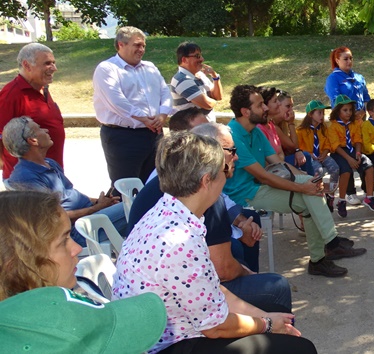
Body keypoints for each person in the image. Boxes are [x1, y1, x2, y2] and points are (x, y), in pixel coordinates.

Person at [114, 132, 317, 353]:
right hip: (167, 344)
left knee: (277, 313)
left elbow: (211, 289)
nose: (228, 175)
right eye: (225, 170)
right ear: (206, 181)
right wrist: (267, 324)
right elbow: (215, 327)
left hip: (172, 327)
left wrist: (267, 317)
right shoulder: (181, 240)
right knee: (300, 348)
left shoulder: (169, 210)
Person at [128, 123, 290, 313]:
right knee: (276, 287)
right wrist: (248, 276)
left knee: (239, 244)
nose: (236, 156)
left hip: (154, 297)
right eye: (231, 150)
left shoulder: (176, 181)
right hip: (167, 310)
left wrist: (239, 225)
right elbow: (222, 271)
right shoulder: (202, 195)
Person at [224, 85, 366, 277]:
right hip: (246, 196)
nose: (266, 108)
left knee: (312, 191)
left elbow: (279, 163)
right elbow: (264, 176)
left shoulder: (256, 130)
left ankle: (322, 255)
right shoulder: (233, 135)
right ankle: (328, 248)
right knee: (310, 197)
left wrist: (307, 180)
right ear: (245, 111)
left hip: (261, 187)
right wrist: (301, 186)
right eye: (260, 105)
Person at [0, 190, 167, 354]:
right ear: (19, 260)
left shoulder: (48, 307)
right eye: (63, 241)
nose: (77, 248)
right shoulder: (55, 325)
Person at [3, 116, 127, 244]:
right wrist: (95, 209)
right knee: (134, 208)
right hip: (75, 231)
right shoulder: (25, 177)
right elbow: (51, 217)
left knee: (132, 208)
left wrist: (98, 202)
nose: (45, 130)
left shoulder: (49, 163)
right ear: (33, 141)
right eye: (39, 128)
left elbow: (69, 194)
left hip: (88, 218)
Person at [93, 26, 172, 187]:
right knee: (126, 188)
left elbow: (165, 91)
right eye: (137, 45)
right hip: (123, 137)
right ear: (121, 44)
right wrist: (144, 119)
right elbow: (117, 101)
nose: (141, 49)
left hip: (154, 134)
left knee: (155, 185)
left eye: (143, 45)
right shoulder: (107, 69)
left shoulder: (150, 67)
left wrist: (162, 115)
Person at [0, 43, 64, 180]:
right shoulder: (11, 95)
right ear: (27, 65)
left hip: (51, 175)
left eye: (54, 63)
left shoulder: (42, 88)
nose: (54, 68)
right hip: (28, 182)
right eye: (47, 63)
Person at [324, 46, 371, 201]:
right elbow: (336, 99)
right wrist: (348, 113)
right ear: (337, 60)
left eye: (351, 58)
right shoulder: (333, 78)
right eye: (345, 58)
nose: (349, 61)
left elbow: (366, 97)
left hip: (359, 119)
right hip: (342, 120)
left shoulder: (358, 77)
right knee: (345, 152)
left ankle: (367, 190)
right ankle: (350, 192)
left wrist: (363, 111)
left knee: (359, 151)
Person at [328, 94, 374, 214]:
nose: (349, 113)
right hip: (340, 152)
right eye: (345, 110)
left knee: (369, 166)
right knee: (346, 171)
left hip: (353, 150)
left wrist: (358, 152)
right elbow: (336, 146)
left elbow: (358, 140)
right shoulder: (333, 126)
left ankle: (369, 197)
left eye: (350, 110)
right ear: (337, 111)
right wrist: (349, 159)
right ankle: (341, 200)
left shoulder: (354, 123)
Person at [296, 99, 340, 208]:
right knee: (318, 171)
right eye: (319, 113)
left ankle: (330, 194)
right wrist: (309, 154)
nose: (322, 116)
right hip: (310, 156)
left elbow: (327, 144)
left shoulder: (323, 128)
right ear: (310, 114)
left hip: (322, 155)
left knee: (335, 168)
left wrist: (325, 153)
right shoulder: (301, 130)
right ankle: (319, 194)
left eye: (323, 113)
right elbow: (298, 147)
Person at [170, 42, 223, 122]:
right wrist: (213, 100)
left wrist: (215, 77)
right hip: (193, 131)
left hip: (207, 129)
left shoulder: (200, 75)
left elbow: (218, 96)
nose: (202, 59)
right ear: (184, 59)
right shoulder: (182, 80)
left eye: (201, 55)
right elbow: (208, 104)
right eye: (197, 56)